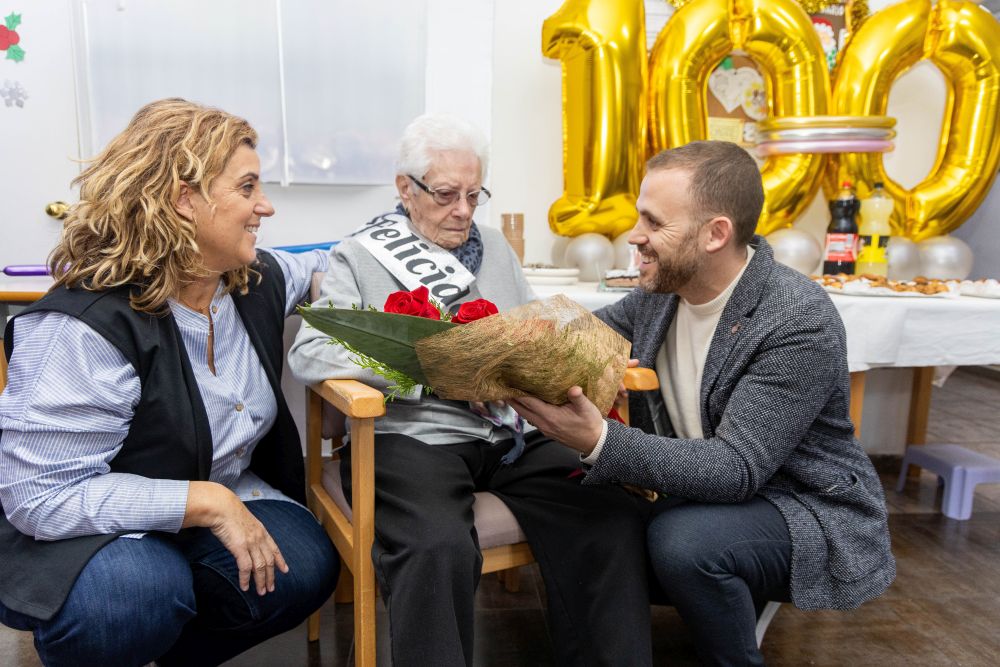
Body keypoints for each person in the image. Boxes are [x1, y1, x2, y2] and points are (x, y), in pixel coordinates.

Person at [510, 140, 896, 665]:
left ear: (716, 233)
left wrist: (598, 440)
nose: (635, 236)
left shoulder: (795, 318)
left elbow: (736, 467)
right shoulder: (663, 293)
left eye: (654, 222)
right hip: (706, 494)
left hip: (804, 506)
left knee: (684, 542)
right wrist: (488, 343)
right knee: (588, 511)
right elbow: (579, 339)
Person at [288, 113, 652, 667]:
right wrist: (431, 367)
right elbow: (310, 353)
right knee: (437, 544)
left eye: (473, 194)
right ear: (405, 190)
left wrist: (560, 360)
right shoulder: (359, 256)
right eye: (445, 195)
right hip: (415, 438)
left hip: (512, 432)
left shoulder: (496, 247)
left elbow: (534, 328)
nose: (462, 211)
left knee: (608, 511)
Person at [0, 98, 339, 666]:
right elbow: (40, 498)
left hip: (210, 492)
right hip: (88, 522)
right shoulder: (83, 327)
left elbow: (326, 261)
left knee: (302, 565)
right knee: (134, 596)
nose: (267, 206)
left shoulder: (251, 279)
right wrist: (207, 502)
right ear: (186, 200)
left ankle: (163, 650)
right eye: (248, 187)